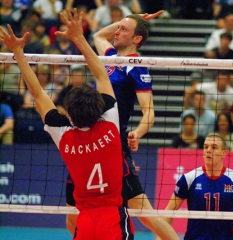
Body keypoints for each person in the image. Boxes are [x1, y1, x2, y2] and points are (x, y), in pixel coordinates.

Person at [0, 9, 134, 240]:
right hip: (112, 217)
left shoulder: (64, 135)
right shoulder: (111, 124)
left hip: (85, 221)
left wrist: (18, 54)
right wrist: (79, 37)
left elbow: (38, 94)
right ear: (98, 108)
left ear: (69, 114)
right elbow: (102, 76)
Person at [91, 10, 179, 240]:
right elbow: (99, 35)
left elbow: (150, 112)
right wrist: (132, 17)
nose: (116, 32)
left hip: (114, 143)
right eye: (117, 28)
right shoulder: (110, 55)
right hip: (93, 139)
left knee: (145, 214)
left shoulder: (137, 67)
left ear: (137, 39)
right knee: (77, 210)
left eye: (123, 30)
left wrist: (138, 132)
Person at [163, 133, 233, 239]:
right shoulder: (189, 178)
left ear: (223, 153)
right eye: (205, 147)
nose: (208, 150)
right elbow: (168, 211)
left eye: (214, 147)